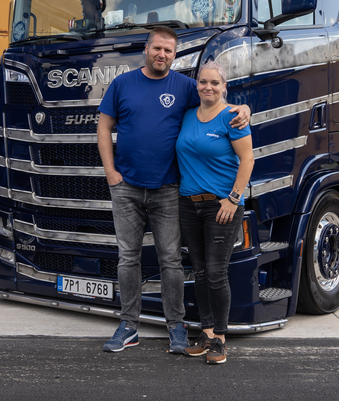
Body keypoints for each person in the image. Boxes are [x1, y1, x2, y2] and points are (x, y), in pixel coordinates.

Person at [97, 27, 250, 353]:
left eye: (169, 50)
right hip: (126, 188)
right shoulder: (122, 84)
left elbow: (216, 101)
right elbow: (104, 126)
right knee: (128, 258)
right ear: (147, 49)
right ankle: (129, 325)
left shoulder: (184, 86)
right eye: (157, 49)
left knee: (171, 260)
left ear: (174, 54)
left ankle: (176, 328)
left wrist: (243, 109)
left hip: (168, 189)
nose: (162, 55)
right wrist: (111, 173)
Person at [176, 61, 254, 364]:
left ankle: (221, 339)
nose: (208, 87)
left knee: (216, 273)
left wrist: (233, 199)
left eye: (215, 83)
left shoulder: (233, 117)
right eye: (203, 82)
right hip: (188, 204)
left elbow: (247, 160)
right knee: (199, 272)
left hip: (221, 206)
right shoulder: (186, 116)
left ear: (225, 86)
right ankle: (206, 333)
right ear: (197, 85)